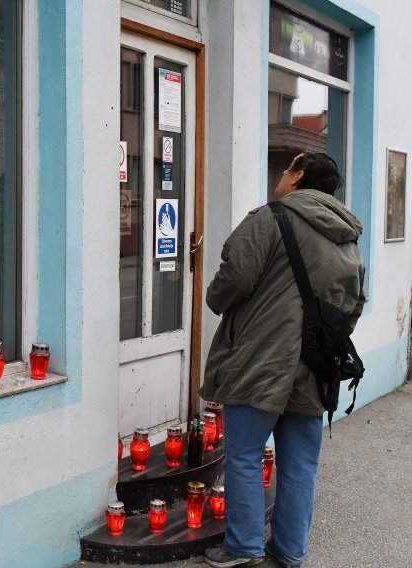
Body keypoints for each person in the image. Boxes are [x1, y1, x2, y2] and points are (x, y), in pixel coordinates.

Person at [202, 152, 366, 568]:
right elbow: (354, 304)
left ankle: (243, 548)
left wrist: (215, 299)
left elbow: (234, 276)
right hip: (316, 366)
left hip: (260, 360)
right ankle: (290, 552)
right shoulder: (347, 237)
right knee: (300, 464)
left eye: (288, 167)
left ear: (297, 177)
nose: (281, 174)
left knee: (244, 454)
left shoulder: (270, 218)